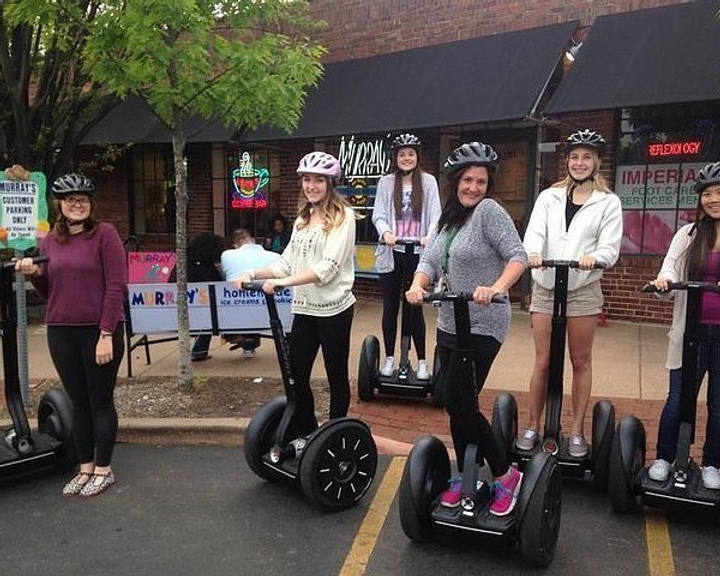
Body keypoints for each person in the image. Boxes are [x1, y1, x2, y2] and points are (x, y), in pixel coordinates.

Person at [405, 142, 527, 516]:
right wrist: (417, 284)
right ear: (455, 181)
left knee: (462, 402)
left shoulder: (490, 212)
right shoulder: (448, 218)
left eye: (481, 181)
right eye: (467, 180)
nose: (474, 187)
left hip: (483, 322)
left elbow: (517, 256)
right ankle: (467, 475)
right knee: (452, 401)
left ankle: (507, 475)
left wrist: (497, 288)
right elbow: (429, 260)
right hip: (448, 320)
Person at [16, 173, 127, 497]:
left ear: (90, 204)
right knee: (78, 402)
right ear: (59, 205)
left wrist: (106, 333)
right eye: (70, 200)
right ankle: (85, 467)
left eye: (82, 200)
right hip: (61, 330)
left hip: (98, 330)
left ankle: (104, 469)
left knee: (100, 401)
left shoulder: (105, 235)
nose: (76, 205)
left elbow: (115, 287)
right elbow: (51, 290)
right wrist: (35, 274)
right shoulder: (50, 240)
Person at [517, 129, 622, 457]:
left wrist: (596, 258)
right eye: (574, 157)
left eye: (586, 157)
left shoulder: (609, 202)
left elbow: (610, 246)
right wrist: (532, 253)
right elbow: (534, 233)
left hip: (583, 287)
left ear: (597, 162)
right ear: (567, 161)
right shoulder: (549, 196)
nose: (579, 162)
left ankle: (576, 430)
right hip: (547, 285)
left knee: (579, 360)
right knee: (543, 361)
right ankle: (534, 424)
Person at [235, 151, 358, 434]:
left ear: (330, 183)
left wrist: (284, 283)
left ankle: (336, 434)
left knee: (335, 376)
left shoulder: (344, 217)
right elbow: (285, 263)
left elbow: (327, 268)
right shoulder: (304, 219)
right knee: (295, 375)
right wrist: (252, 273)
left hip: (334, 309)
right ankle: (307, 430)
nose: (311, 185)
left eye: (318, 180)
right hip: (304, 308)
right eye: (306, 179)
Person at [646, 161, 720, 489]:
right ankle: (664, 456)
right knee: (679, 397)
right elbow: (670, 269)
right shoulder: (688, 234)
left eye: (719, 193)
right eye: (707, 194)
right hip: (690, 332)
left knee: (719, 406)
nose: (713, 199)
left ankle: (712, 464)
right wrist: (664, 281)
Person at [372, 133, 441, 380]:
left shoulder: (429, 182)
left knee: (415, 307)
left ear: (417, 156)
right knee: (390, 308)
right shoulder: (386, 182)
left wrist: (429, 238)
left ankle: (422, 361)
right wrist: (386, 232)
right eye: (402, 154)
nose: (406, 158)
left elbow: (436, 216)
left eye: (410, 153)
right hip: (392, 252)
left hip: (418, 254)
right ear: (396, 157)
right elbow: (378, 214)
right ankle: (390, 358)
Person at [220, 228, 281, 357]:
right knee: (256, 303)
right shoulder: (276, 256)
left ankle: (248, 344)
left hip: (235, 313)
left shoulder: (227, 255)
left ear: (236, 245)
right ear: (253, 240)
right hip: (272, 311)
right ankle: (251, 343)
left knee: (242, 302)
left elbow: (225, 276)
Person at [175, 233, 226, 361]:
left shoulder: (182, 262)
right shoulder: (206, 267)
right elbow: (219, 287)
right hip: (201, 313)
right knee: (213, 311)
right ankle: (200, 350)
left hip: (177, 311)